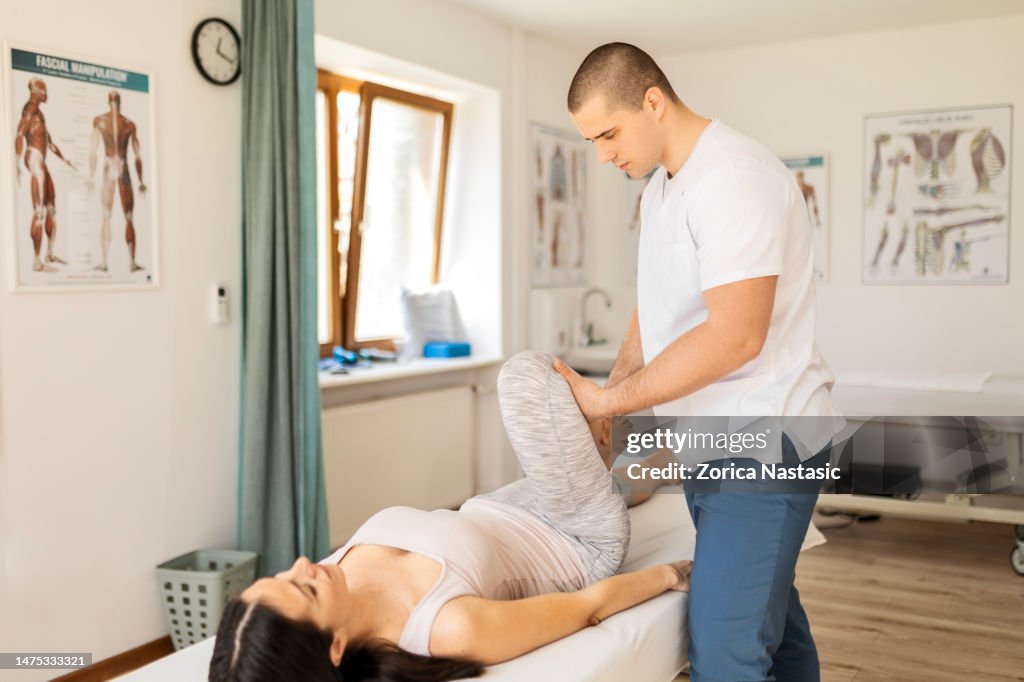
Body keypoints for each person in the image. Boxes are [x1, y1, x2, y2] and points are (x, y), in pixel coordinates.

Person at [557, 43, 841, 682]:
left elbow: (735, 337)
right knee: (772, 623)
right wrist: (619, 383)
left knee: (724, 652)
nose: (602, 153)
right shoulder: (661, 188)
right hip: (714, 442)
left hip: (766, 445)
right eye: (592, 140)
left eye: (608, 133)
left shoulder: (732, 179)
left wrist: (607, 403)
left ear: (652, 102)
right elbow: (655, 303)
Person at [209, 351, 691, 682]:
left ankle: (705, 449)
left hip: (501, 505)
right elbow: (587, 607)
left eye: (281, 574)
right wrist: (669, 573)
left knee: (636, 477)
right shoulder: (444, 628)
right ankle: (612, 443)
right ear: (334, 647)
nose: (300, 563)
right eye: (304, 587)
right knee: (526, 377)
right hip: (577, 538)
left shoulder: (331, 580)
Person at [14, 77, 75, 272]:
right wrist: (16, 162)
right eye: (43, 88)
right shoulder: (31, 108)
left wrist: (64, 159)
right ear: (36, 89)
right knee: (39, 212)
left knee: (51, 210)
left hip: (42, 160)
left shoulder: (40, 114)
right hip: (34, 158)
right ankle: (36, 260)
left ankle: (49, 253)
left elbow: (49, 142)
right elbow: (20, 132)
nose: (46, 92)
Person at [86, 90, 147, 272]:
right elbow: (137, 155)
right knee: (124, 217)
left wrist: (90, 176)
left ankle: (111, 262)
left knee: (111, 216)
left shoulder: (101, 121)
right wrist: (141, 181)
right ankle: (129, 262)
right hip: (122, 167)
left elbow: (93, 151)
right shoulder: (127, 124)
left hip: (111, 168)